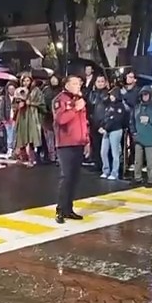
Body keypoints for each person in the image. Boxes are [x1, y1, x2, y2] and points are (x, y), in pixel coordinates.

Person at [53, 73, 89, 224]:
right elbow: (60, 119)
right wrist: (75, 108)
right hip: (65, 144)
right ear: (67, 85)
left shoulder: (79, 99)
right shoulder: (60, 99)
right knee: (66, 177)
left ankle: (69, 209)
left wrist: (87, 141)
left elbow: (84, 122)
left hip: (79, 142)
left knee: (74, 178)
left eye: (79, 83)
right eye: (74, 83)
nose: (78, 86)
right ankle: (60, 210)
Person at [130, 85, 152, 188]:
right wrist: (133, 132)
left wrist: (150, 119)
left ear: (150, 95)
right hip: (139, 136)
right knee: (137, 160)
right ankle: (137, 178)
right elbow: (132, 121)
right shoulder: (137, 107)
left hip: (151, 137)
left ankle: (151, 180)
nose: (144, 96)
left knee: (150, 161)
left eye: (146, 94)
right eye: (143, 95)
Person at [14, 74, 44, 166]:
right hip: (22, 116)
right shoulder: (19, 90)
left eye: (27, 80)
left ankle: (32, 158)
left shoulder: (36, 90)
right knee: (22, 136)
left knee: (31, 137)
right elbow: (14, 103)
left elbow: (41, 103)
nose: (26, 83)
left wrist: (31, 103)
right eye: (24, 81)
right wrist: (18, 105)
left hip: (32, 116)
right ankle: (23, 157)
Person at [99, 87, 127, 180]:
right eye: (110, 95)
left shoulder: (120, 106)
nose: (111, 97)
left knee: (115, 153)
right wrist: (101, 126)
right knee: (103, 152)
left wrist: (106, 128)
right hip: (106, 131)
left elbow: (116, 119)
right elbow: (105, 118)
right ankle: (106, 171)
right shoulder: (109, 105)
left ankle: (114, 173)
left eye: (113, 95)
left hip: (115, 131)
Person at [87, 74, 109, 171]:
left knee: (105, 147)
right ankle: (97, 164)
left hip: (105, 124)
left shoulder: (108, 94)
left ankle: (105, 166)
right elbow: (89, 109)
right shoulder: (91, 94)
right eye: (98, 81)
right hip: (93, 123)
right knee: (95, 145)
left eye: (102, 81)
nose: (100, 83)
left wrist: (104, 124)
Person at [42, 74, 61, 163]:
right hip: (47, 117)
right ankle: (51, 155)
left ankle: (58, 156)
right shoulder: (46, 90)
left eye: (55, 79)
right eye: (52, 79)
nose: (54, 81)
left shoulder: (61, 91)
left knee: (58, 138)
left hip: (58, 117)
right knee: (49, 138)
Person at [0, 82, 17, 157]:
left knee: (14, 135)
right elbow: (1, 109)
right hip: (7, 119)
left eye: (13, 89)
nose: (11, 90)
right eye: (10, 89)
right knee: (9, 135)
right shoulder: (4, 98)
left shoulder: (17, 98)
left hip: (15, 118)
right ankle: (9, 149)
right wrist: (2, 119)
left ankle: (14, 149)